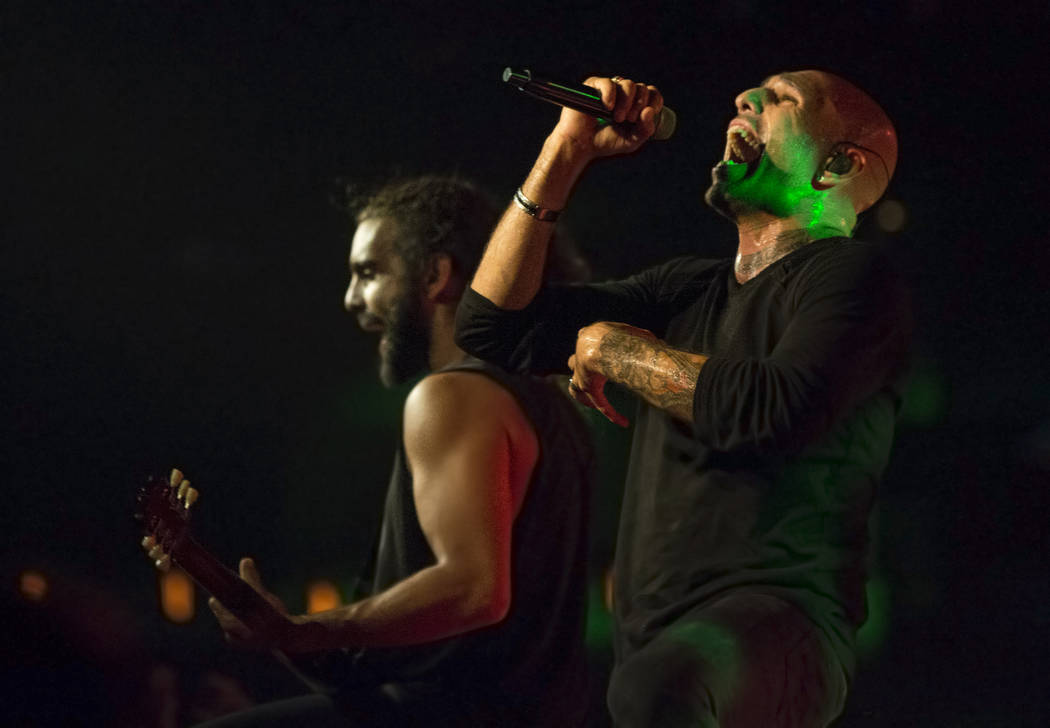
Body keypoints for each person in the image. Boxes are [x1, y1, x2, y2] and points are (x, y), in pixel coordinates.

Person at [455, 70, 912, 727]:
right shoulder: (687, 289)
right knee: (646, 692)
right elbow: (494, 327)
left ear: (838, 165)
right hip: (656, 641)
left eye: (783, 98)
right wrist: (567, 150)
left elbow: (773, 409)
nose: (744, 98)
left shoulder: (854, 278)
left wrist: (616, 350)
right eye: (752, 91)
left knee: (652, 692)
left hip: (785, 625)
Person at [163, 176, 595, 727]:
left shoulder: (452, 394)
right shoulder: (555, 405)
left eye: (368, 273)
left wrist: (304, 630)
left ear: (435, 275)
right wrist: (287, 634)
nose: (351, 299)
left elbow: (475, 589)